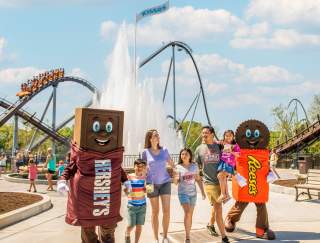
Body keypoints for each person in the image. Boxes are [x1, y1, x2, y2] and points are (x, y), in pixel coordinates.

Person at [194, 126, 229, 243]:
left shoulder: (219, 146)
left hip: (221, 181)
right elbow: (196, 165)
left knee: (216, 206)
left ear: (212, 134)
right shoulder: (199, 149)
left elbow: (229, 153)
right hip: (209, 183)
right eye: (202, 133)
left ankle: (210, 224)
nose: (204, 135)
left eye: (206, 133)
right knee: (218, 208)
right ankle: (224, 237)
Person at [142, 129, 174, 243]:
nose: (158, 137)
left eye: (158, 135)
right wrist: (143, 183)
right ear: (150, 138)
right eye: (155, 135)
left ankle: (165, 236)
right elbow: (142, 169)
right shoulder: (145, 152)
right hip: (151, 184)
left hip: (165, 182)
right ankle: (156, 238)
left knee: (166, 210)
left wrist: (177, 173)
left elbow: (172, 164)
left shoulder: (164, 150)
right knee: (155, 211)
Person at [173, 148, 206, 243]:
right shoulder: (178, 166)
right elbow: (175, 183)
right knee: (187, 213)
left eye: (186, 154)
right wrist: (175, 178)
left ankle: (188, 233)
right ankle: (187, 237)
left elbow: (198, 179)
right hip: (183, 193)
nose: (184, 156)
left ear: (190, 156)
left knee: (190, 215)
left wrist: (202, 192)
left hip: (193, 194)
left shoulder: (194, 166)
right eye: (182, 154)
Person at [124, 159, 147, 243]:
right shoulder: (129, 176)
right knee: (131, 225)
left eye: (141, 166)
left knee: (139, 225)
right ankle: (127, 233)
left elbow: (148, 190)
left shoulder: (145, 178)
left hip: (142, 206)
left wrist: (147, 187)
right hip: (131, 206)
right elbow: (126, 190)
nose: (139, 168)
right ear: (134, 167)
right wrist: (127, 191)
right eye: (138, 166)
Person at [217, 130, 240, 203]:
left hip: (229, 163)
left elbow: (239, 154)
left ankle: (223, 194)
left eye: (230, 135)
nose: (228, 137)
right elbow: (214, 142)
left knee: (220, 175)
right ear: (224, 136)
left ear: (233, 137)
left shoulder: (235, 145)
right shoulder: (222, 143)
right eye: (226, 135)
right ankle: (227, 195)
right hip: (222, 162)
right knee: (222, 177)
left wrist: (231, 151)